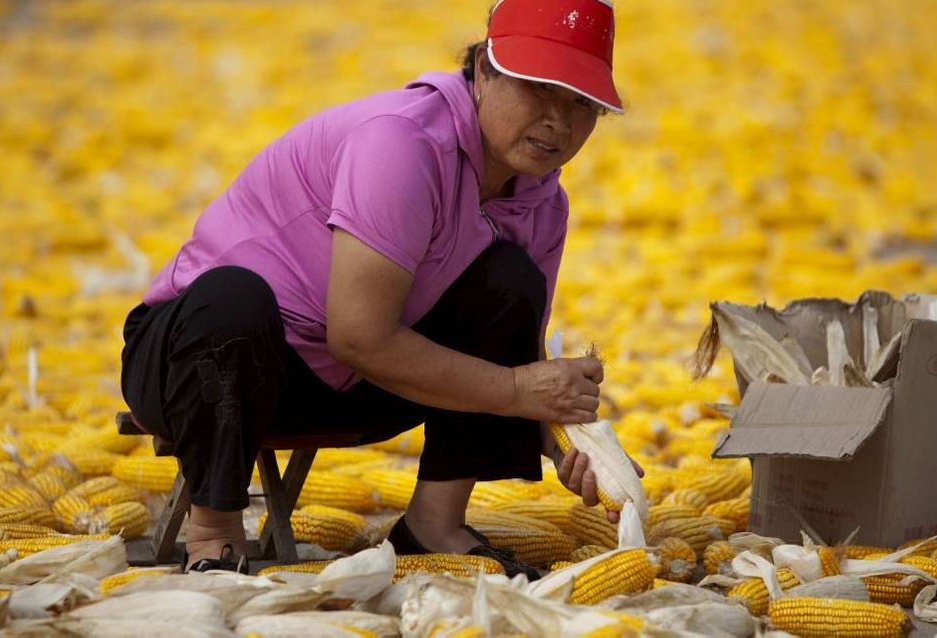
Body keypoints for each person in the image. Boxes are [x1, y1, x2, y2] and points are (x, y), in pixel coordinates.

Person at [120, 0, 640, 577]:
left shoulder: (542, 202)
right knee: (233, 302)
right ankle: (214, 530)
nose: (559, 123)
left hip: (349, 384)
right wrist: (521, 390)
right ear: (484, 70)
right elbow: (361, 337)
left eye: (581, 104)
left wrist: (571, 440)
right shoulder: (403, 143)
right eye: (539, 91)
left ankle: (434, 525)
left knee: (509, 280)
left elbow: (513, 354)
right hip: (201, 371)